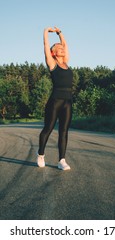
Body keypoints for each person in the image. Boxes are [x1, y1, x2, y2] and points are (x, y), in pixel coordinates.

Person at [37, 26, 73, 170]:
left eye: (62, 47)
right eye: (59, 47)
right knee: (48, 128)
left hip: (68, 101)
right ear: (53, 52)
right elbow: (46, 45)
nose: (62, 48)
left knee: (64, 131)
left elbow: (66, 45)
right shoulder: (52, 63)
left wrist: (60, 33)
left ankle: (61, 160)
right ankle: (40, 154)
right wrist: (46, 31)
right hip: (55, 101)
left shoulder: (66, 62)